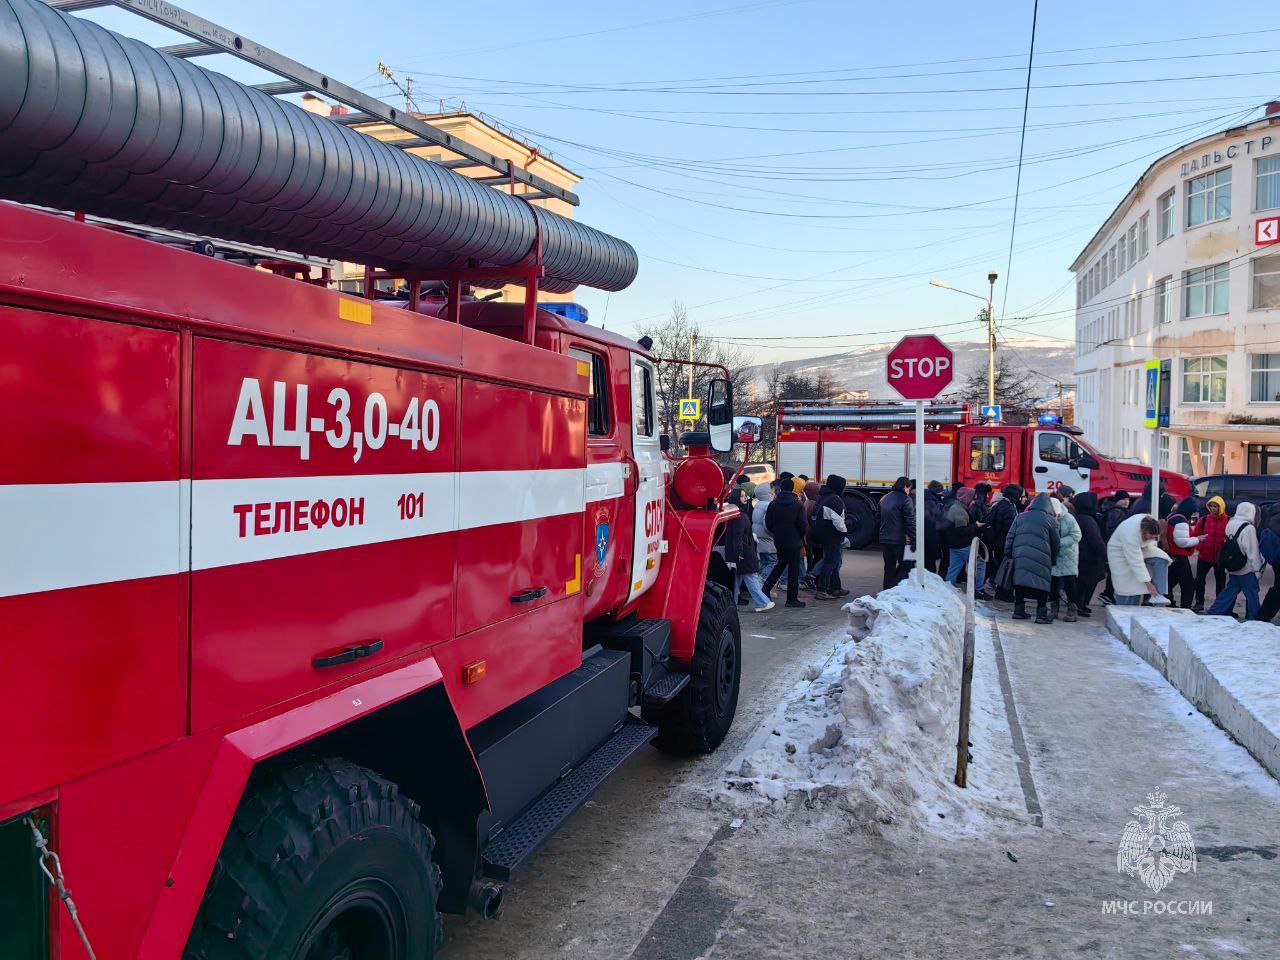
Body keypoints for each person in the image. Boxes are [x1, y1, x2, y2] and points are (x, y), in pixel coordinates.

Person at [1005, 492, 1060, 623]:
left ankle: (1018, 611)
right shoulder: (1051, 520)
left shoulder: (1020, 517)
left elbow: (1010, 537)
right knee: (1042, 584)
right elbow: (1056, 543)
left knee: (1020, 581)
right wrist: (1053, 558)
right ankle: (1041, 614)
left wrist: (1008, 553)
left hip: (1020, 555)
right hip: (1042, 557)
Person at [1206, 502, 1263, 620]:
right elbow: (1252, 550)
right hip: (1246, 567)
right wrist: (1258, 569)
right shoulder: (1249, 528)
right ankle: (1254, 617)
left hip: (1233, 565)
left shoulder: (1230, 524)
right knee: (1252, 592)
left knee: (1230, 591)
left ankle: (1215, 610)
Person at [723, 488, 773, 611]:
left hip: (739, 552)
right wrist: (740, 552)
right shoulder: (739, 516)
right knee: (751, 578)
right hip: (743, 552)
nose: (745, 498)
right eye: (742, 496)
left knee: (737, 581)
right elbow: (738, 536)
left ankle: (732, 604)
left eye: (745, 496)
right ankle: (762, 602)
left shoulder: (735, 514)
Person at [762, 477, 808, 608]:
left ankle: (766, 588)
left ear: (780, 488)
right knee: (793, 570)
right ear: (792, 488)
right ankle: (792, 599)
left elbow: (768, 523)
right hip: (794, 541)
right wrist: (798, 535)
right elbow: (803, 525)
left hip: (779, 540)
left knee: (780, 565)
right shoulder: (798, 504)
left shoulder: (773, 504)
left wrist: (777, 533)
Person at [1107, 514, 1170, 606]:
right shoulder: (1130, 534)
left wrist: (1152, 586)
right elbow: (1136, 562)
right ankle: (1121, 613)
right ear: (1144, 532)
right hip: (1118, 552)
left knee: (1161, 559)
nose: (1153, 539)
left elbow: (1150, 544)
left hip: (1141, 548)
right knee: (1126, 588)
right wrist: (1149, 584)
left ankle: (1158, 595)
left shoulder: (1150, 523)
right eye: (1151, 536)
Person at [811, 475, 850, 600]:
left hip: (823, 534)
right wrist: (844, 532)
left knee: (834, 561)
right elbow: (838, 522)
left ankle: (836, 588)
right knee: (831, 563)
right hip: (832, 536)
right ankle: (822, 589)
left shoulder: (822, 497)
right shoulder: (834, 500)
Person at [1071, 492, 1107, 618]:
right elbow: (1096, 540)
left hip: (1079, 555)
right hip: (1089, 558)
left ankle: (1080, 605)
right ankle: (1081, 605)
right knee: (1088, 582)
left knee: (1081, 582)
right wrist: (1105, 556)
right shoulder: (1089, 520)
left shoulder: (1076, 517)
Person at [1164, 497, 1202, 609]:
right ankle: (1185, 607)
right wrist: (1198, 539)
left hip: (1170, 555)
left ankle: (1169, 602)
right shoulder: (1181, 521)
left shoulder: (1172, 516)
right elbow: (1182, 542)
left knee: (1169, 582)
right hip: (1179, 556)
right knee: (1188, 584)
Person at [1192, 495, 1228, 612]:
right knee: (1200, 580)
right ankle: (1199, 602)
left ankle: (1219, 605)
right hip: (1204, 556)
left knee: (1220, 582)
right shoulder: (1204, 520)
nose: (1213, 508)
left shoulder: (1228, 520)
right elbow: (1195, 535)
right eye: (1211, 506)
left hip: (1220, 558)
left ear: (1221, 507)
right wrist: (1200, 547)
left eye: (1215, 506)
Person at [878, 476, 915, 590]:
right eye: (909, 489)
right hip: (901, 540)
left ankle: (886, 591)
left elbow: (878, 518)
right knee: (906, 566)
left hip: (884, 539)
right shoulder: (906, 499)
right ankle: (896, 590)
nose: (909, 492)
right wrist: (915, 539)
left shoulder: (884, 498)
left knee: (889, 567)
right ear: (905, 487)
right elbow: (910, 521)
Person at [986, 483, 1021, 599]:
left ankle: (1001, 592)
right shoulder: (1008, 507)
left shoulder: (1002, 504)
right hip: (1003, 543)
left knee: (1001, 566)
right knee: (1005, 568)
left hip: (998, 542)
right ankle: (1003, 593)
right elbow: (1010, 528)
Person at [1049, 497, 1081, 621]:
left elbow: (1076, 535)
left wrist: (1059, 543)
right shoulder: (1048, 518)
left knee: (1070, 583)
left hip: (1068, 555)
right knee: (1053, 583)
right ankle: (1053, 609)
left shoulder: (1069, 518)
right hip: (1054, 555)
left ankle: (1072, 609)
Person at [943, 486, 980, 587]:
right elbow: (962, 530)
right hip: (961, 544)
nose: (974, 502)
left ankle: (948, 588)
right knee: (980, 563)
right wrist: (976, 526)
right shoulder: (959, 510)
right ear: (967, 498)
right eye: (973, 499)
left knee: (954, 567)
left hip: (954, 544)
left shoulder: (956, 507)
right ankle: (978, 589)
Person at [1099, 490, 1131, 603]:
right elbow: (1111, 530)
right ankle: (1108, 594)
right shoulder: (1116, 512)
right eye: (1124, 499)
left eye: (1128, 499)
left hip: (1113, 545)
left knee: (1115, 570)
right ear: (1117, 500)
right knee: (1115, 570)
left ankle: (1108, 594)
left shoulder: (1117, 511)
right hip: (1115, 546)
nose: (1126, 502)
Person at [1255, 508, 1280, 622]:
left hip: (1276, 557)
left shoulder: (1275, 511)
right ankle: (1264, 615)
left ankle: (1264, 614)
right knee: (1278, 589)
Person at [751, 483, 777, 581]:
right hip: (768, 540)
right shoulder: (768, 505)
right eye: (772, 491)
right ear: (768, 493)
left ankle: (760, 584)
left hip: (759, 539)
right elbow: (768, 525)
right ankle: (762, 582)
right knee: (772, 562)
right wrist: (774, 535)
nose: (774, 493)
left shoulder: (758, 504)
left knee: (762, 563)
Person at [801, 479, 823, 588]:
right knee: (818, 556)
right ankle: (812, 577)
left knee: (812, 557)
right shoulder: (814, 504)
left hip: (808, 535)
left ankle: (810, 575)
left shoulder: (807, 502)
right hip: (814, 535)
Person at [924, 480, 947, 576]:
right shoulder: (932, 502)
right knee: (929, 562)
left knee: (927, 560)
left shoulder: (927, 498)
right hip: (930, 536)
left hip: (925, 535)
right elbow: (937, 519)